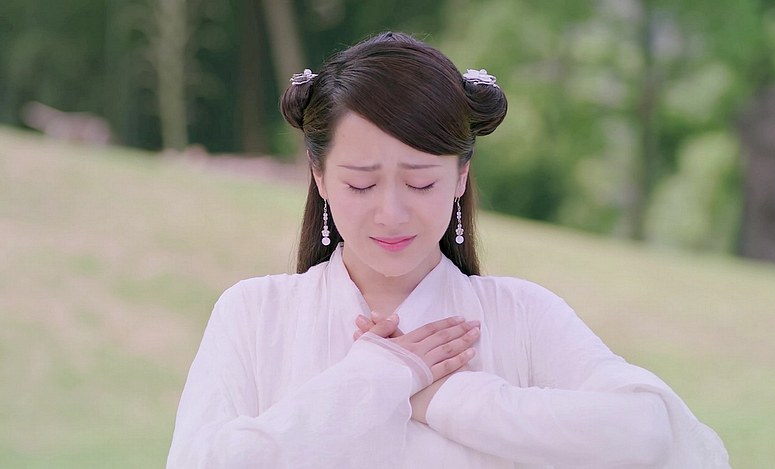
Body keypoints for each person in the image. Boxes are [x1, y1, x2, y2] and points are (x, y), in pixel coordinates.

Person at [167, 32, 730, 468]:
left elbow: (650, 436)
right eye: (361, 184)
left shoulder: (522, 315)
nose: (391, 212)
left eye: (420, 183)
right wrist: (379, 378)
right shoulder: (255, 313)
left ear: (461, 176)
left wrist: (449, 398)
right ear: (318, 175)